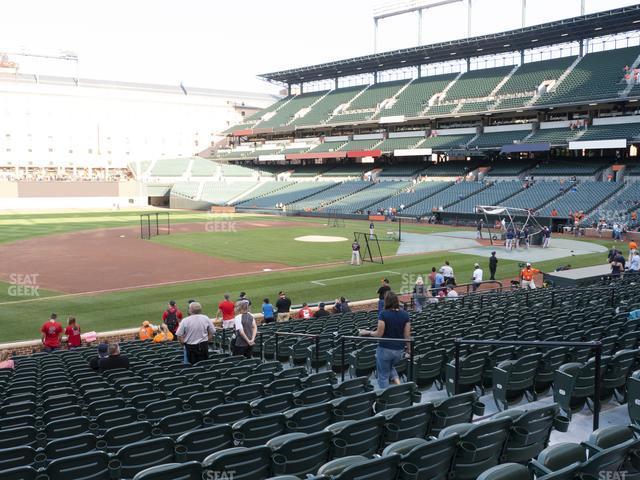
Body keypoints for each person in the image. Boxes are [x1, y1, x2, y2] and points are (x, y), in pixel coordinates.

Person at [359, 291, 410, 389]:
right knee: (390, 367)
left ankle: (385, 398)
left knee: (383, 375)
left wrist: (368, 332)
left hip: (385, 349)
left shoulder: (383, 314)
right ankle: (399, 387)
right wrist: (409, 350)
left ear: (387, 301)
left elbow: (379, 334)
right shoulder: (405, 314)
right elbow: (407, 335)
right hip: (399, 351)